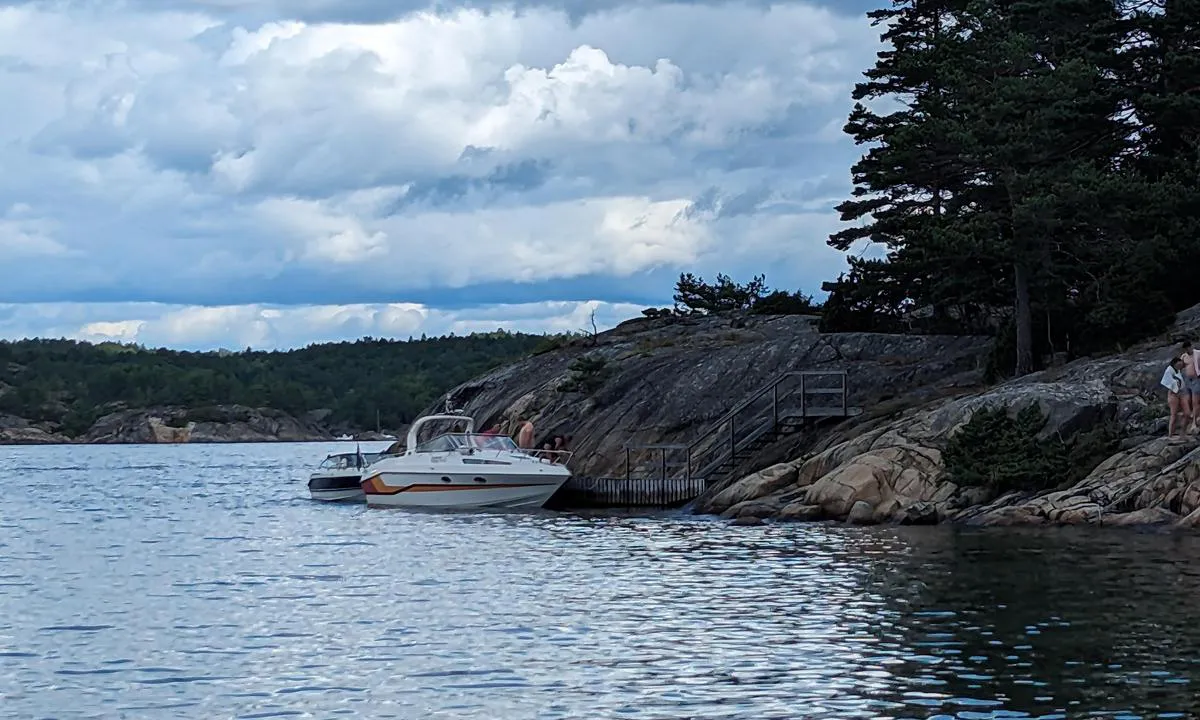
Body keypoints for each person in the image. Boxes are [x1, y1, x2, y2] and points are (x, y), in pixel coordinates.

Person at [1162, 356, 1186, 438]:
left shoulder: (1177, 370)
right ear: (1175, 364)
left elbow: (1181, 382)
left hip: (1180, 393)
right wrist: (1176, 383)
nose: (1180, 366)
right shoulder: (1169, 370)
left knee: (1184, 413)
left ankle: (1181, 433)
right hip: (1173, 394)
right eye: (1179, 365)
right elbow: (1167, 381)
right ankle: (1170, 434)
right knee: (1173, 415)